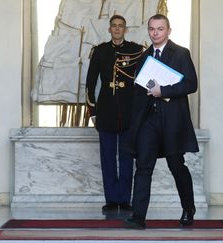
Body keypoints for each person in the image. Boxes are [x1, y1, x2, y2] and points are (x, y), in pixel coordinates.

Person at [123, 14, 199, 229]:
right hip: (149, 121)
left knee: (177, 166)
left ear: (168, 31)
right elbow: (139, 91)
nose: (155, 33)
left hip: (172, 120)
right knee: (143, 167)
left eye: (160, 29)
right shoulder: (144, 56)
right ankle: (138, 216)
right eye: (152, 29)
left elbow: (191, 84)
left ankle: (188, 208)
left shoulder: (181, 53)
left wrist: (163, 91)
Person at [85, 15, 144, 213]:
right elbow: (90, 84)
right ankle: (111, 200)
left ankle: (125, 200)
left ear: (125, 30)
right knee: (108, 158)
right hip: (105, 111)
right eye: (114, 26)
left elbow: (143, 81)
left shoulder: (136, 50)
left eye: (121, 26)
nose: (117, 29)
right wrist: (92, 112)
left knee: (127, 158)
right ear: (109, 29)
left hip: (129, 112)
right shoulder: (100, 51)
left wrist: (140, 112)